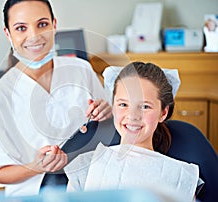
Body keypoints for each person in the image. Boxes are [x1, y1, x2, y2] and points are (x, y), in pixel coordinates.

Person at [0, 0, 112, 197]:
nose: (34, 36)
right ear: (8, 34)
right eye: (21, 28)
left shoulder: (81, 69)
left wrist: (107, 112)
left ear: (54, 25)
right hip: (33, 193)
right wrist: (36, 167)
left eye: (42, 24)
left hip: (90, 182)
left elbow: (108, 123)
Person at [65, 62, 200, 201]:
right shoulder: (86, 168)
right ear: (113, 106)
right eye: (123, 104)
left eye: (145, 106)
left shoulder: (180, 178)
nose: (132, 115)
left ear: (163, 113)